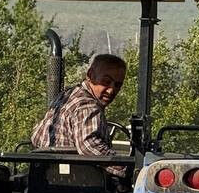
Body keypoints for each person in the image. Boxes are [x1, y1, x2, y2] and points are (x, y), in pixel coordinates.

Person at [30, 53, 129, 182]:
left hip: (47, 180)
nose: (111, 90)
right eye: (106, 82)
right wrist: (126, 167)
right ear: (90, 75)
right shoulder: (87, 105)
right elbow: (88, 146)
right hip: (78, 186)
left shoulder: (66, 95)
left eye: (117, 85)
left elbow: (36, 136)